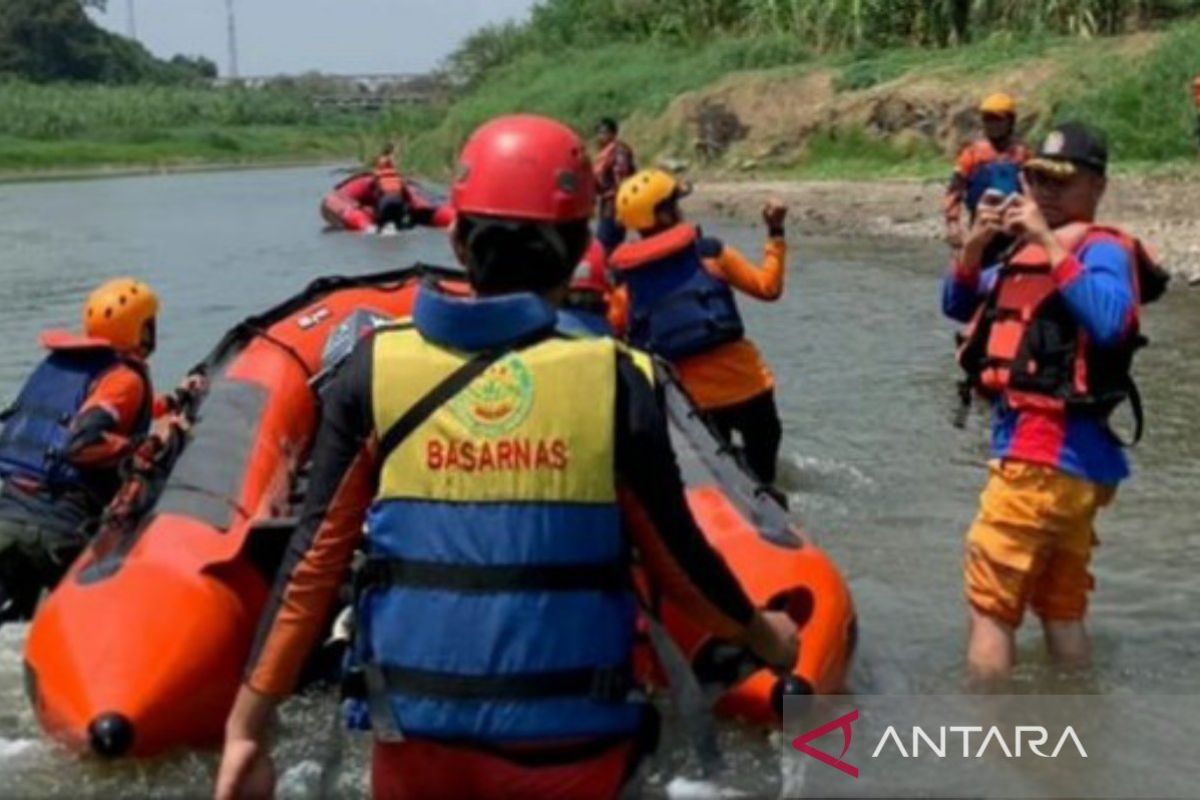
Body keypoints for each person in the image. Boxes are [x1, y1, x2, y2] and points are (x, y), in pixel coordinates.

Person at [214, 114, 798, 800]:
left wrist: (248, 729)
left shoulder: (371, 371)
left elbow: (312, 565)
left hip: (416, 748)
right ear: (583, 245)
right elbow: (681, 566)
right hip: (569, 750)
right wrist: (770, 638)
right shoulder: (617, 377)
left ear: (458, 239)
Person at [943, 122, 1167, 682]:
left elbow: (1112, 321)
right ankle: (1071, 737)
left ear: (1097, 187)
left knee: (990, 609)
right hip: (1074, 472)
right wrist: (974, 244)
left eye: (1062, 182)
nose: (1046, 192)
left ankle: (985, 745)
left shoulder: (1102, 249)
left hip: (1038, 459)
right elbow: (957, 301)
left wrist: (1045, 239)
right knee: (1061, 609)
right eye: (1037, 178)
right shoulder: (1026, 250)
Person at [0, 279, 181, 621]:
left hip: (6, 517)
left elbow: (69, 422)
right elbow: (80, 443)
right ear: (141, 329)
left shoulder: (59, 366)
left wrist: (165, 406)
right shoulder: (124, 379)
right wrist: (141, 447)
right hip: (56, 528)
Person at [609, 169, 789, 488]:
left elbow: (609, 340)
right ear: (666, 214)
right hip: (751, 387)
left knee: (727, 484)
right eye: (676, 203)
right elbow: (768, 288)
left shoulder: (626, 288)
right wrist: (775, 233)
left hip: (695, 406)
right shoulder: (710, 254)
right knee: (766, 481)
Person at [944, 93, 1031, 253]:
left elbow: (1035, 192)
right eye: (988, 119)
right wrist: (953, 224)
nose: (992, 124)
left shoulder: (1022, 155)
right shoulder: (973, 154)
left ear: (1010, 121)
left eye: (998, 119)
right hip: (981, 227)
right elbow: (955, 190)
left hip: (1015, 231)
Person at [593, 117, 636, 254]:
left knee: (606, 244)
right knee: (606, 244)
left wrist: (620, 209)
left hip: (616, 204)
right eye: (598, 132)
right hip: (606, 203)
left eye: (604, 132)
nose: (600, 136)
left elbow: (622, 179)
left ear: (613, 133)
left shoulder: (618, 152)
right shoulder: (605, 153)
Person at [373, 145, 411, 233]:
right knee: (399, 227)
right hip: (398, 201)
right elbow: (406, 195)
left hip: (385, 202)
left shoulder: (378, 175)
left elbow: (375, 193)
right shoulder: (397, 175)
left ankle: (379, 228)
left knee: (380, 227)